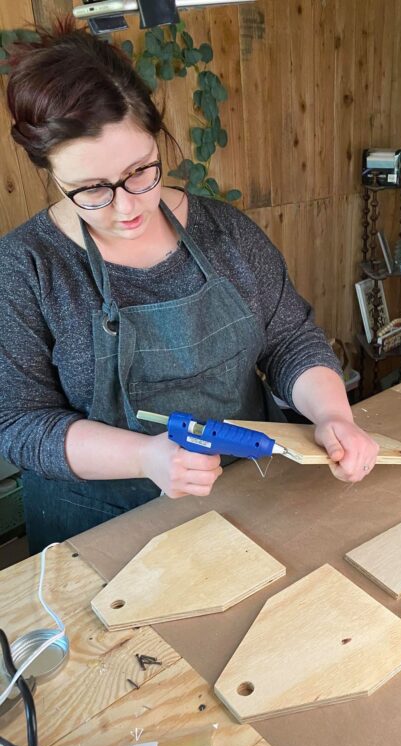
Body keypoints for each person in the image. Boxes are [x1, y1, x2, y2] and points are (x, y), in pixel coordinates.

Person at [0, 20, 379, 554]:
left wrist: (334, 416)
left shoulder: (226, 233)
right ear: (49, 171)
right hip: (97, 524)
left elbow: (289, 338)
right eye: (90, 189)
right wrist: (144, 458)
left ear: (158, 140)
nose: (126, 206)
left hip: (245, 494)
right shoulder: (26, 268)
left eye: (140, 171)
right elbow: (20, 423)